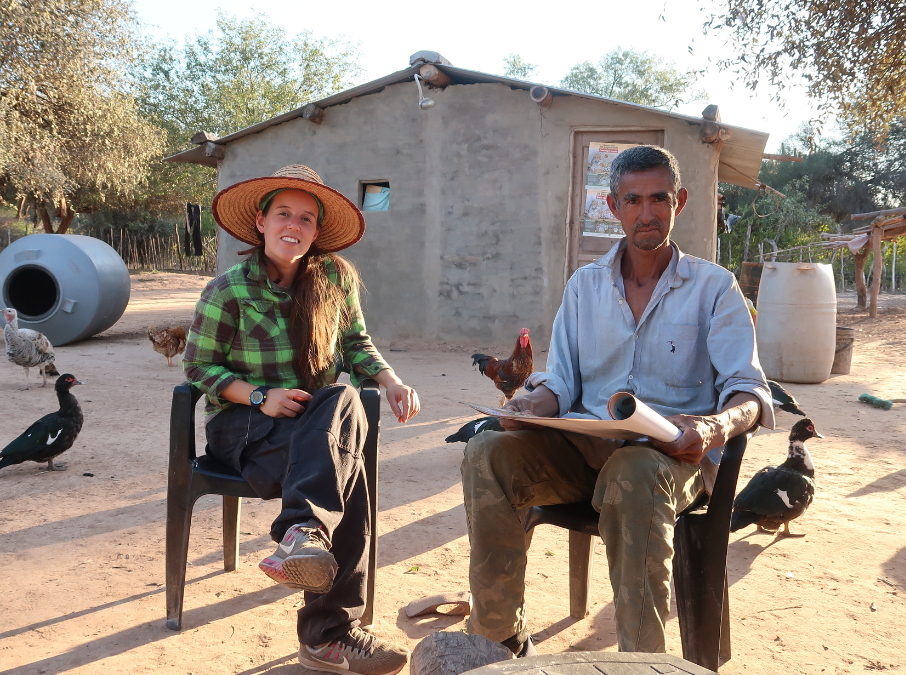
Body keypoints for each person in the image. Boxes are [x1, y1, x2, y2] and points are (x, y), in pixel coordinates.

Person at [461, 146, 775, 656]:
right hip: (584, 455)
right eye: (633, 200)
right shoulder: (584, 287)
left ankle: (641, 660)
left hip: (671, 461)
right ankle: (498, 643)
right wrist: (532, 407)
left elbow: (751, 391)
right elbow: (560, 379)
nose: (646, 213)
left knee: (633, 473)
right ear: (613, 207)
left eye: (659, 199)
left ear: (681, 201)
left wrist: (715, 428)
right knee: (486, 454)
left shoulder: (715, 288)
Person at [182, 165, 420, 675]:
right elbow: (198, 367)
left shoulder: (335, 280)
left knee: (342, 399)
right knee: (346, 469)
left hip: (313, 427)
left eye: (307, 218)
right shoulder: (227, 290)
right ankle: (326, 635)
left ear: (316, 231)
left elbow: (355, 345)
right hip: (243, 427)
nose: (295, 225)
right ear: (262, 222)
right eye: (284, 213)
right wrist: (260, 395)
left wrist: (391, 380)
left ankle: (303, 533)